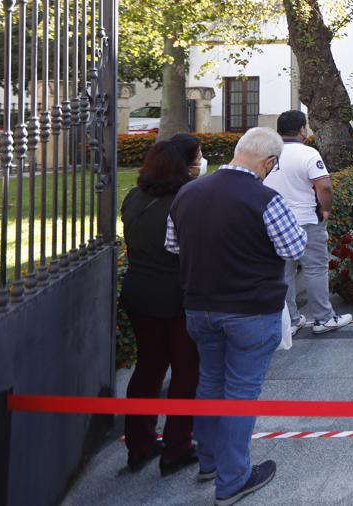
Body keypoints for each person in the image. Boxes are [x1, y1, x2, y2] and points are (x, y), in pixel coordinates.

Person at [167, 127, 306, 504]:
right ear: (268, 162)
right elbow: (294, 247)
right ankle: (232, 479)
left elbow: (173, 245)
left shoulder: (188, 193)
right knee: (241, 392)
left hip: (199, 306)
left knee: (210, 383)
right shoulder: (265, 198)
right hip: (250, 310)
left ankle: (209, 461)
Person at [120, 135, 203, 475]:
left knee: (148, 368)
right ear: (184, 166)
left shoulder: (133, 198)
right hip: (177, 295)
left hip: (139, 292)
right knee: (186, 372)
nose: (201, 164)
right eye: (197, 159)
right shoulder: (187, 200)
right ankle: (177, 447)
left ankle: (138, 444)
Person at [264, 111, 352, 336]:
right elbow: (324, 187)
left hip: (275, 222)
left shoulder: (266, 154)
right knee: (315, 269)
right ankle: (323, 318)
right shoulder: (308, 153)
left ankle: (291, 321)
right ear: (302, 130)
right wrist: (326, 209)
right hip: (306, 220)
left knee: (284, 273)